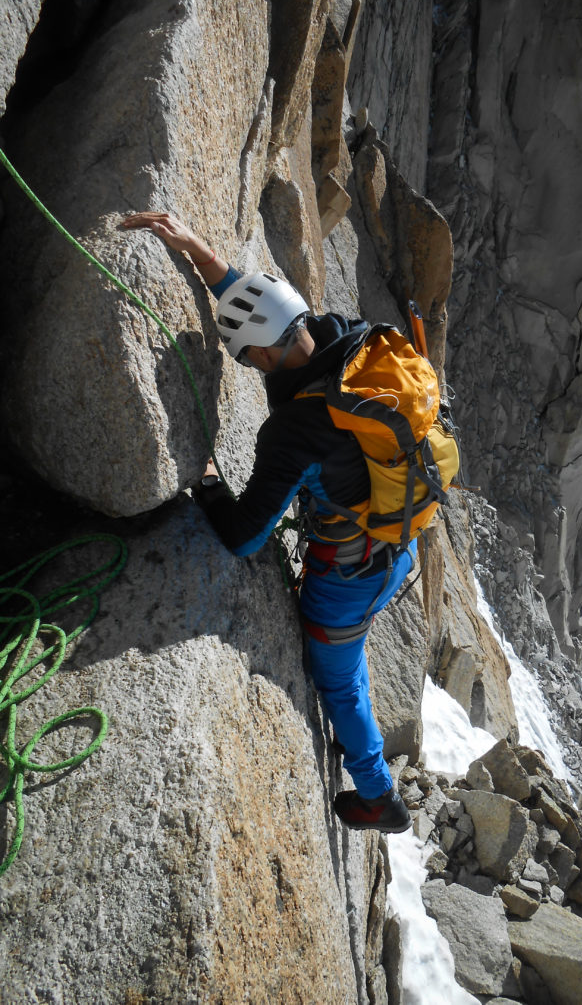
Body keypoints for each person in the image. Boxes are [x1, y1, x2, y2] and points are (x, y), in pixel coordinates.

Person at [122, 212, 413, 833]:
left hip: (348, 573)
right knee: (351, 659)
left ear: (260, 346)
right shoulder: (346, 335)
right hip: (398, 538)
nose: (248, 365)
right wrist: (198, 252)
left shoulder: (296, 431)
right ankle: (369, 763)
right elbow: (262, 307)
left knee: (340, 681)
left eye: (247, 356)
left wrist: (203, 480)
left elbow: (244, 533)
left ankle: (378, 796)